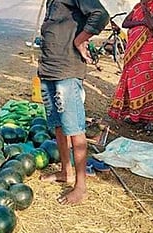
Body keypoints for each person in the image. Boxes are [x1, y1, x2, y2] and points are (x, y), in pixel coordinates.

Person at [38, 0, 109, 204]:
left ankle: (80, 186)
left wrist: (80, 40)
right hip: (49, 70)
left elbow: (100, 14)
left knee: (75, 129)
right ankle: (65, 171)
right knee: (59, 125)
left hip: (66, 72)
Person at [108, 0, 153, 131]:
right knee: (132, 82)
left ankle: (149, 119)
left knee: (145, 83)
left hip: (149, 52)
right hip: (133, 52)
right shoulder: (137, 7)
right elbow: (126, 23)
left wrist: (144, 8)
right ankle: (134, 116)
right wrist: (141, 21)